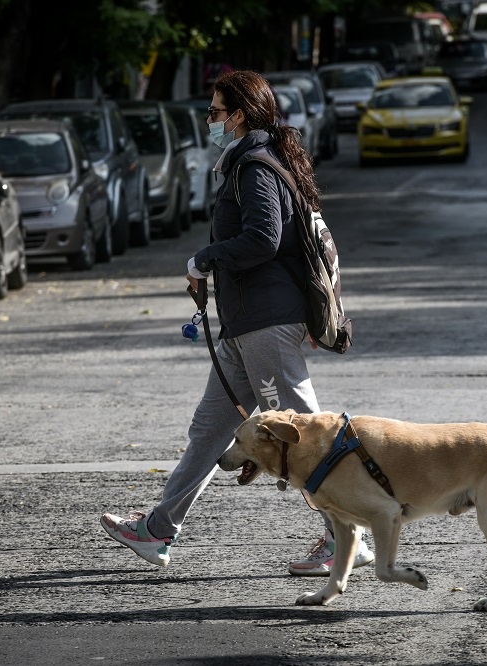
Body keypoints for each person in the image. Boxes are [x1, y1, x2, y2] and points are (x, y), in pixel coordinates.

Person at [100, 69, 373, 576]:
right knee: (209, 432)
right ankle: (159, 529)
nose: (210, 120)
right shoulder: (250, 162)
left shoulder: (255, 167)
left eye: (215, 112)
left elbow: (264, 239)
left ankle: (347, 536)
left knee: (306, 433)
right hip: (244, 326)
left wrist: (205, 258)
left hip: (266, 325)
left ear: (240, 115)